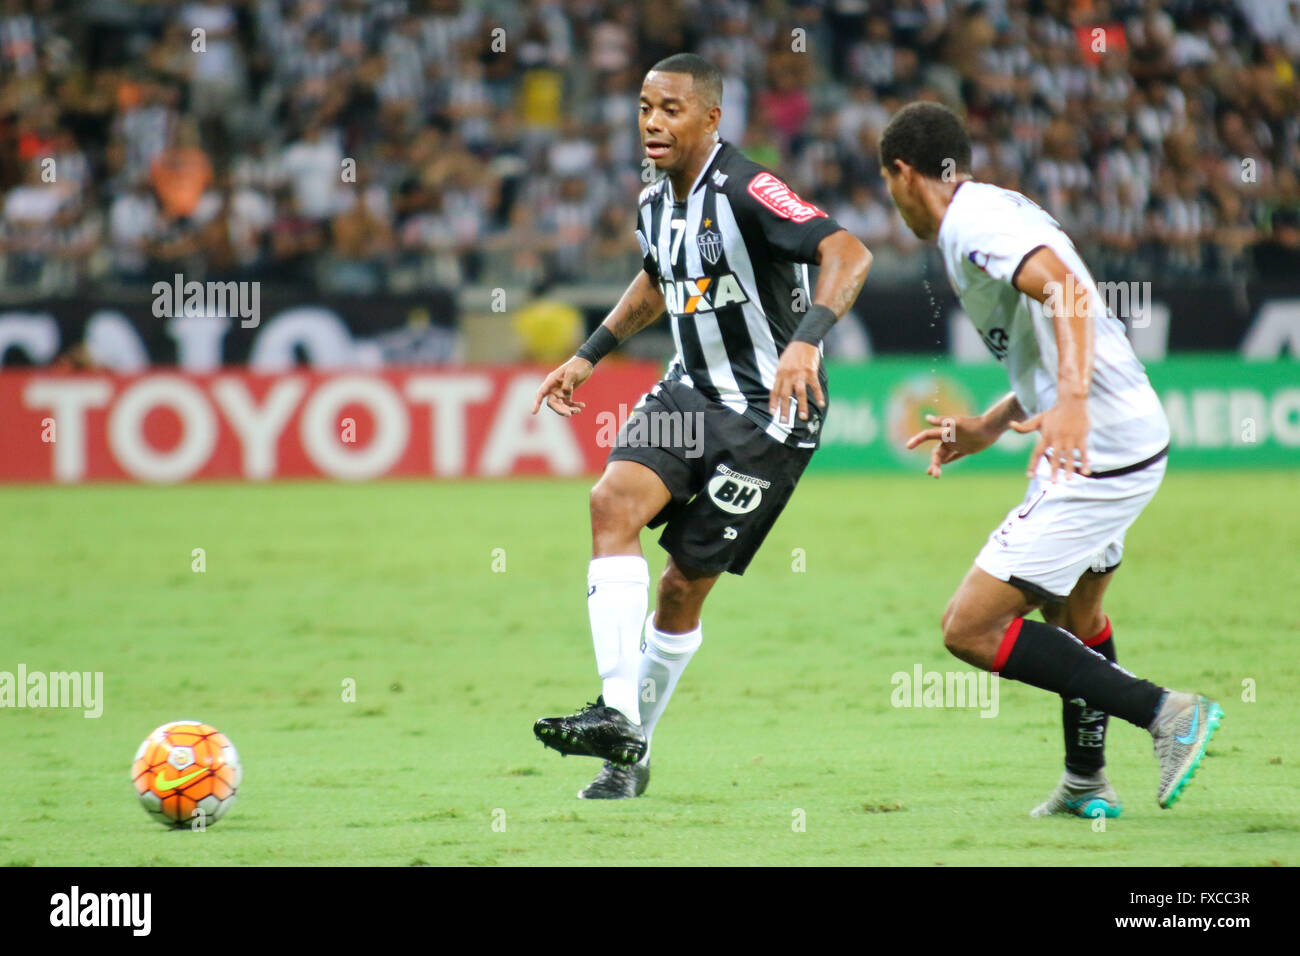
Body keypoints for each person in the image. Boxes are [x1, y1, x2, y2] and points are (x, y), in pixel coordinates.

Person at [530, 53, 872, 798]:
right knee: (608, 503)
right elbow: (659, 278)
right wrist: (590, 355)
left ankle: (632, 746)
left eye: (672, 109)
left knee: (681, 587)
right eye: (646, 106)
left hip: (767, 417)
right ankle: (616, 715)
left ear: (711, 118)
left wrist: (807, 339)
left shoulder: (749, 188)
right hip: (687, 396)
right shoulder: (654, 198)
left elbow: (848, 251)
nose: (653, 121)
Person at [882, 101, 1222, 815]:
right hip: (1124, 431)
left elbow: (1067, 291)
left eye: (889, 185)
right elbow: (1048, 330)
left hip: (1095, 444)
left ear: (904, 173)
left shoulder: (973, 225)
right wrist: (988, 423)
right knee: (1076, 613)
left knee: (969, 628)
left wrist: (1069, 401)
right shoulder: (995, 208)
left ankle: (1168, 713)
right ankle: (1085, 780)